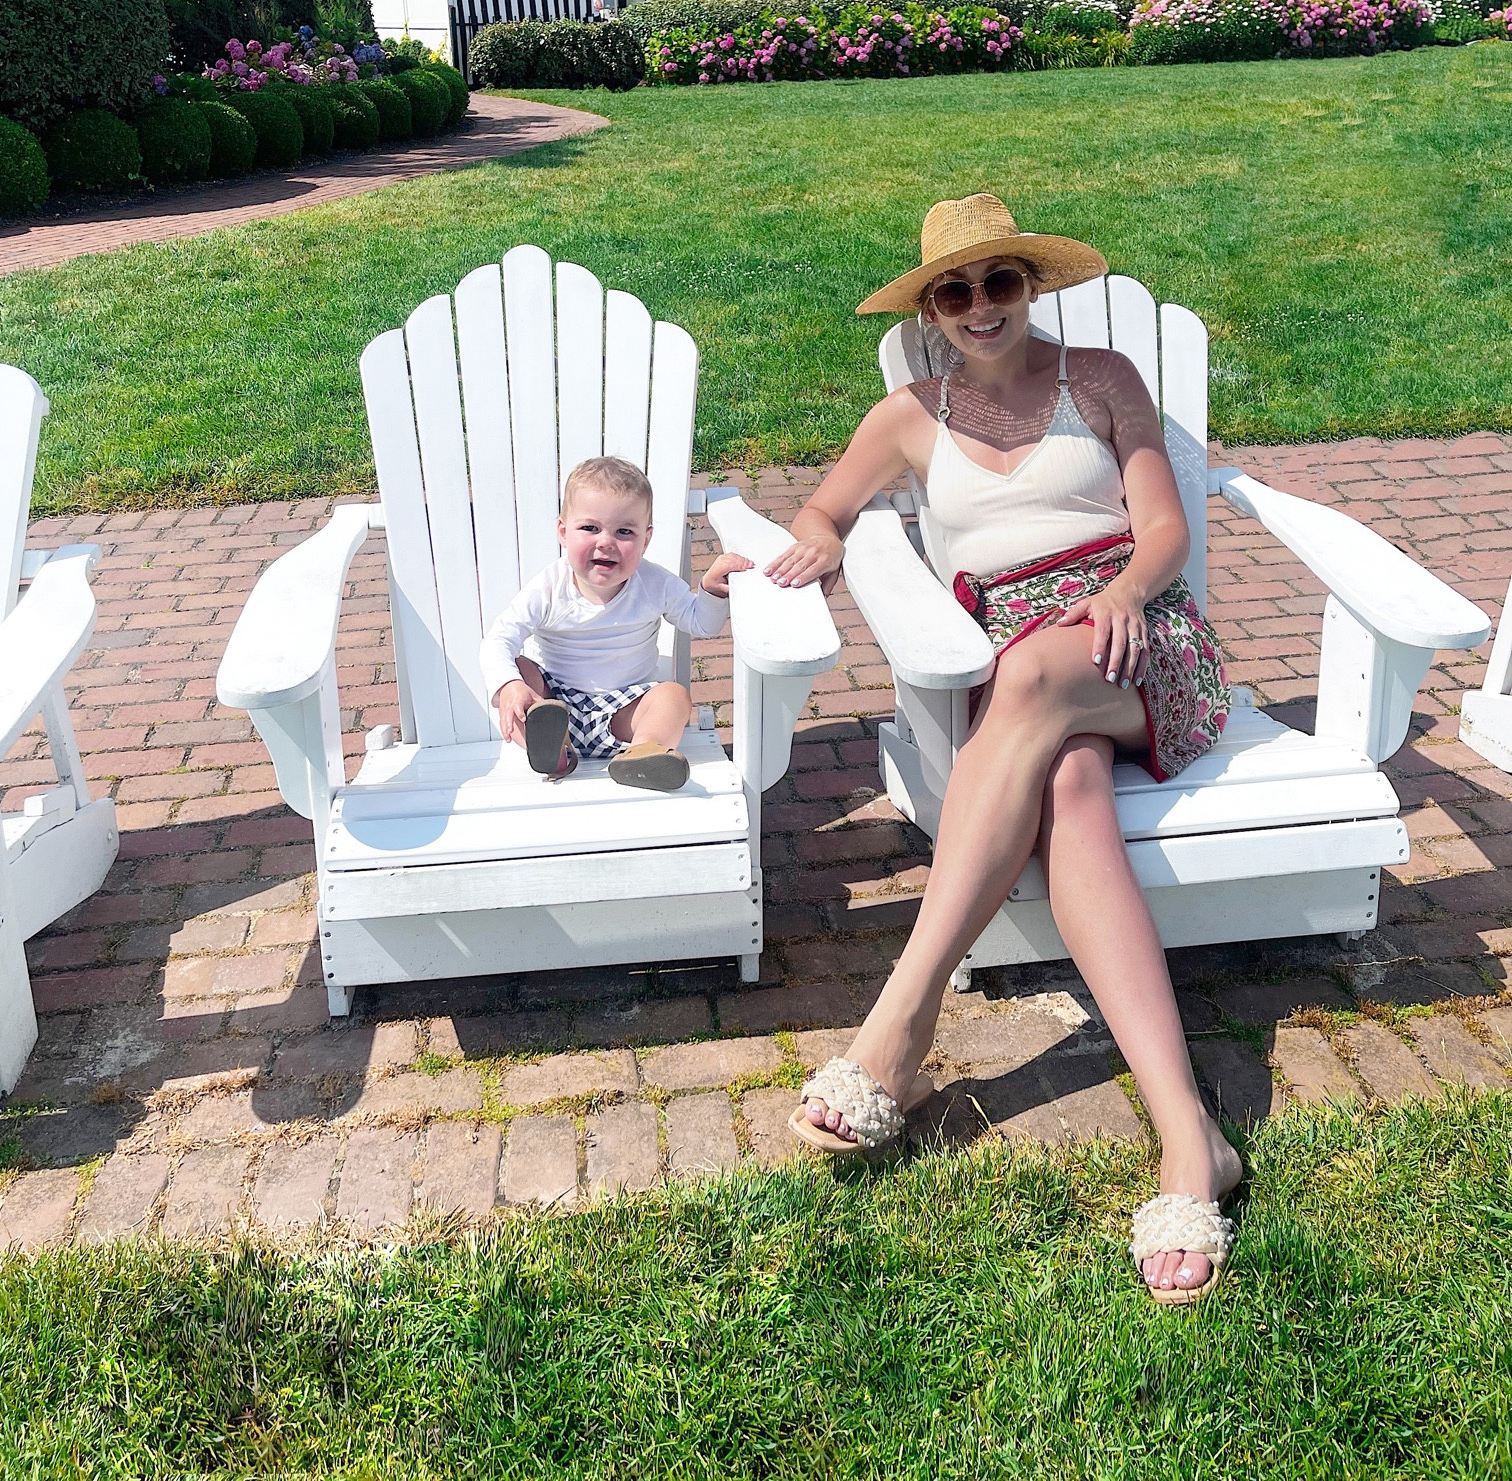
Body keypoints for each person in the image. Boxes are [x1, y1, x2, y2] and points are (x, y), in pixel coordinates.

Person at [764, 194, 1239, 1306]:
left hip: (1142, 636)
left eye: (1000, 283)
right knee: (1066, 782)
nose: (980, 306)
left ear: (1033, 286)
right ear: (931, 307)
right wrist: (797, 551)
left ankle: (903, 1017)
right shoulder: (907, 414)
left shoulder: (1105, 377)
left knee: (1025, 678)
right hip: (1028, 666)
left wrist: (1121, 589)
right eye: (955, 290)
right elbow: (824, 512)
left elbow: (1165, 527)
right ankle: (1190, 1138)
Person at [483, 455, 751, 793]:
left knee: (674, 697)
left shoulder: (655, 584)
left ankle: (643, 753)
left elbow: (701, 623)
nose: (606, 542)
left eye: (624, 531)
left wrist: (710, 591)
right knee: (522, 671)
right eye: (590, 528)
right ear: (563, 532)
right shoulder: (549, 587)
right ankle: (554, 751)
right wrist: (509, 686)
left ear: (646, 539)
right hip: (556, 705)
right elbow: (498, 641)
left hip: (626, 711)